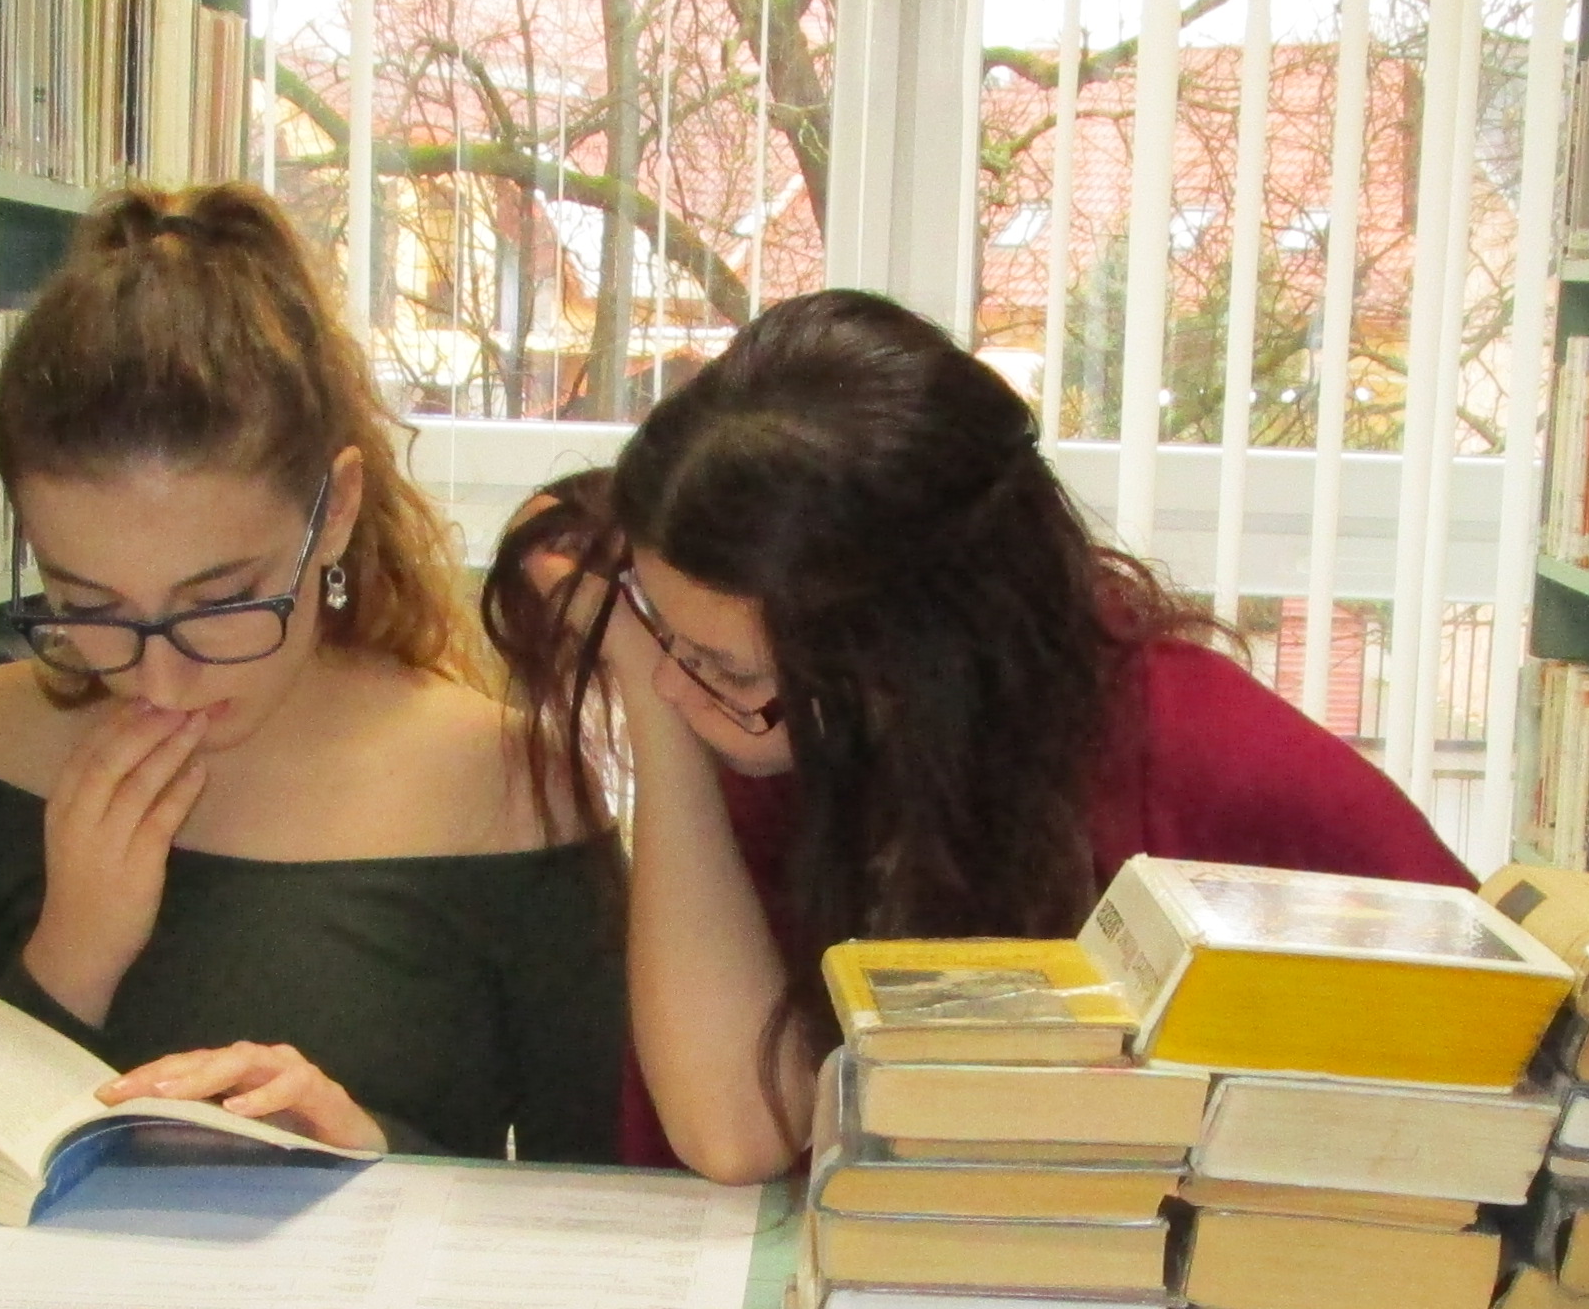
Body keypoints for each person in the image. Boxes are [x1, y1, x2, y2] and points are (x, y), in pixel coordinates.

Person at [496, 288, 1469, 1184]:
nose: (683, 683)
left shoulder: (1208, 759)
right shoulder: (789, 729)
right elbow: (737, 1131)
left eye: (730, 668)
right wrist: (648, 690)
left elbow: (1486, 1074)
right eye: (666, 635)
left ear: (905, 651)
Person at [0, 183, 622, 1159]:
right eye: (89, 607)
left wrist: (365, 1152)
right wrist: (70, 955)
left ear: (335, 511)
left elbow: (604, 1199)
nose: (159, 681)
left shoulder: (511, 785)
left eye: (221, 602)